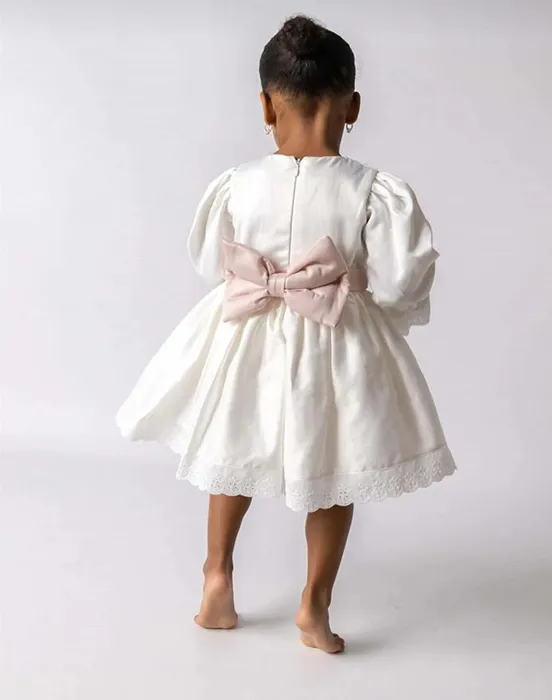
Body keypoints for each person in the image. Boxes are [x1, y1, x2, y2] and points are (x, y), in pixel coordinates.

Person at [116, 15, 456, 654]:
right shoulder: (374, 192)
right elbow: (403, 280)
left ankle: (217, 579)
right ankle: (313, 605)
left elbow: (209, 262)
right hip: (336, 336)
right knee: (335, 465)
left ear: (266, 106)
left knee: (232, 445)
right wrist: (374, 302)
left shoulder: (236, 184)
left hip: (246, 334)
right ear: (352, 106)